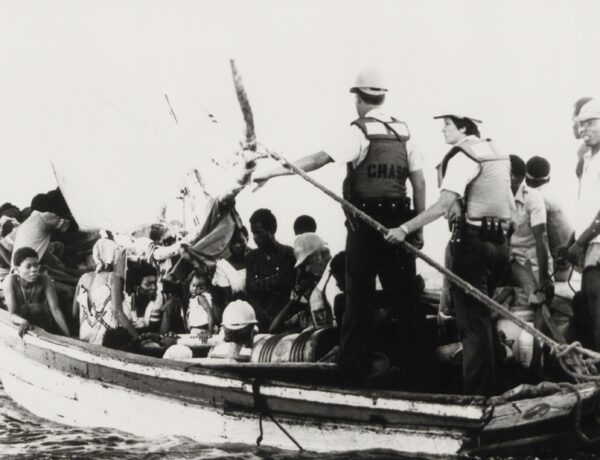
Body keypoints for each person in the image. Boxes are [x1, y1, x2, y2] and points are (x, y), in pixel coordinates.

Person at [253, 68, 426, 379]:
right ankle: (419, 373)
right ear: (383, 96)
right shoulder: (404, 134)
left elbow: (318, 160)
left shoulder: (358, 132)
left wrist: (270, 172)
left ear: (358, 98)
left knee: (357, 301)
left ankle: (350, 372)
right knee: (406, 302)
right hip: (399, 223)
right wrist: (417, 228)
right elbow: (419, 183)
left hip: (366, 225)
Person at [386, 114, 513, 396]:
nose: (442, 129)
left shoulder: (462, 157)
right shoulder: (497, 153)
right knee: (485, 319)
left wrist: (405, 228)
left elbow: (444, 205)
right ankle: (500, 388)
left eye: (448, 124)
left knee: (473, 327)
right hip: (500, 246)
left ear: (464, 126)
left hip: (472, 246)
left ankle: (478, 399)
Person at [566, 98, 600, 352]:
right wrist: (572, 241)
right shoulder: (588, 157)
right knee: (589, 306)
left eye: (589, 123)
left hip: (596, 246)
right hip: (591, 244)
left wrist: (580, 241)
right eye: (581, 124)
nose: (583, 129)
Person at [74, 238, 141, 347]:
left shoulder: (83, 278)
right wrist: (136, 337)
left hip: (84, 335)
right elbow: (117, 312)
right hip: (105, 338)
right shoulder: (113, 277)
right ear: (113, 257)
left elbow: (74, 312)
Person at [269, 233, 339, 333]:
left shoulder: (332, 282)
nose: (307, 269)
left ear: (323, 254)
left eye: (309, 261)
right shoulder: (323, 285)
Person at [508, 154, 552, 298]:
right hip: (508, 258)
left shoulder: (533, 197)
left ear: (518, 178)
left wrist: (545, 277)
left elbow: (541, 238)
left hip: (530, 259)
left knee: (539, 298)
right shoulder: (498, 196)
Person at [245, 208, 296, 331]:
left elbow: (287, 283)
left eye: (259, 232)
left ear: (272, 229)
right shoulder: (251, 257)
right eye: (253, 233)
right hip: (260, 322)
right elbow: (251, 288)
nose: (255, 237)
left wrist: (261, 283)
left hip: (285, 321)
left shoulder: (288, 253)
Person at [525, 156, 573, 280]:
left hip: (557, 270)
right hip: (567, 265)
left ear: (525, 178)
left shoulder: (537, 199)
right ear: (549, 178)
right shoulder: (551, 193)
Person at [4, 247, 70, 338]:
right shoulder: (10, 281)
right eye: (28, 266)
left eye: (36, 265)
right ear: (17, 269)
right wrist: (23, 321)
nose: (34, 269)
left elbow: (55, 310)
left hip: (44, 324)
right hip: (24, 325)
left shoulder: (45, 280)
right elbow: (13, 314)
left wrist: (68, 335)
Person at [212, 225, 250, 314]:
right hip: (235, 312)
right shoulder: (222, 265)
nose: (237, 245)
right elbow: (226, 299)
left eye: (241, 241)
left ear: (247, 239)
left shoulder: (254, 259)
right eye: (233, 242)